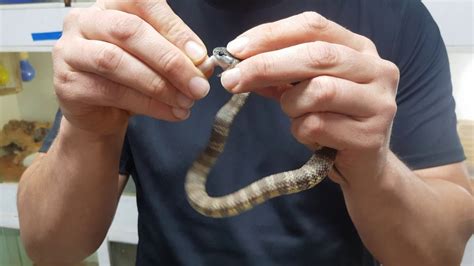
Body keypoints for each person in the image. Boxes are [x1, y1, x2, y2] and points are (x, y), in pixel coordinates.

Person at [17, 0, 474, 265]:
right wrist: (87, 131)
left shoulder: (395, 16)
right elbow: (48, 248)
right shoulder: (131, 22)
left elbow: (441, 253)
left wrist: (371, 165)